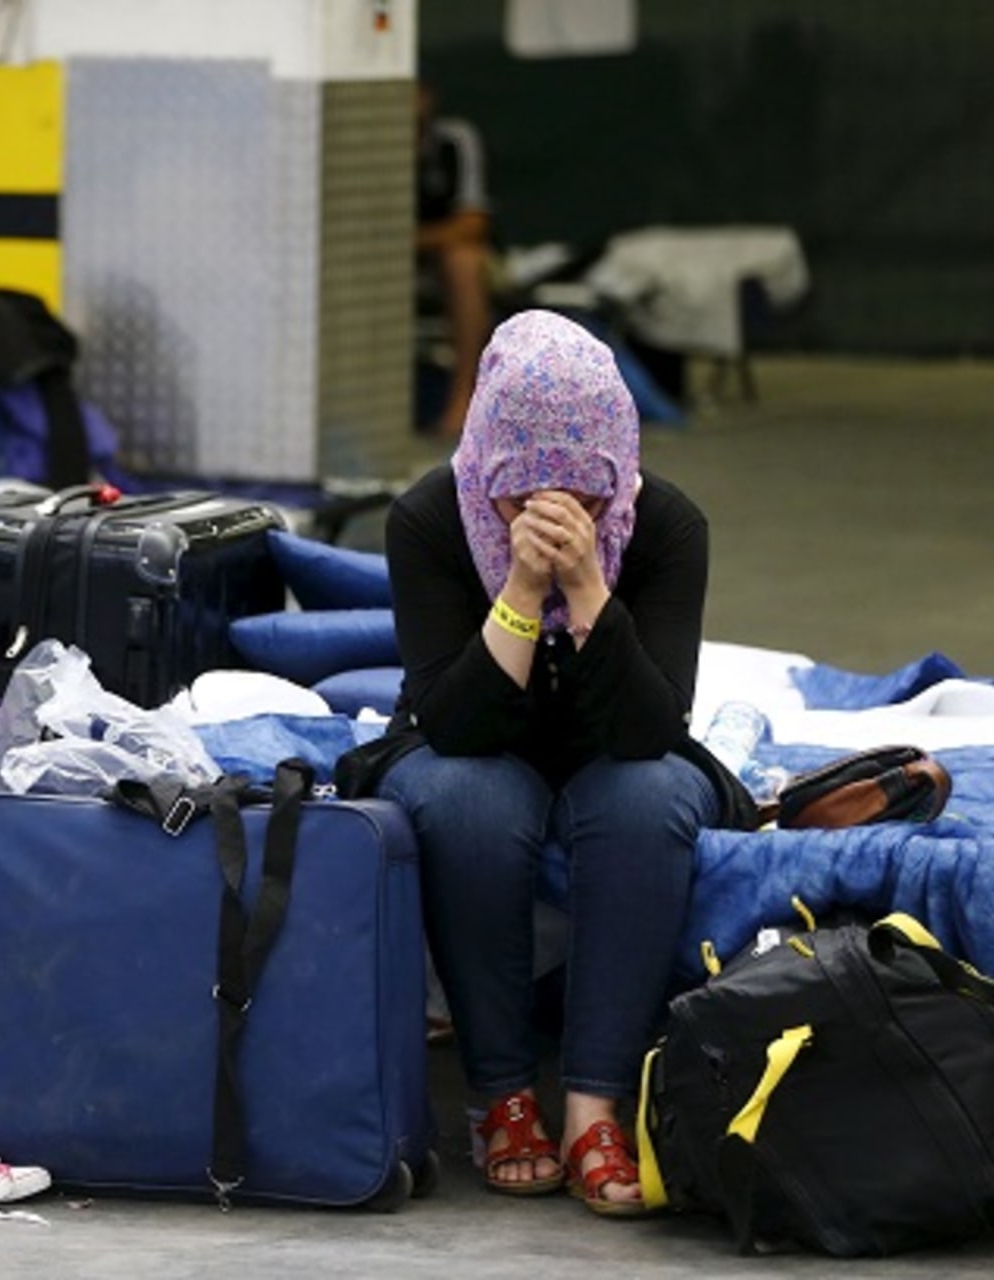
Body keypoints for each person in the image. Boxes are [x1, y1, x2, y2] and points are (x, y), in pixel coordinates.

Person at [371, 310, 719, 1215]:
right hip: (472, 740)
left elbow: (651, 729)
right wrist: (524, 589)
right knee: (470, 799)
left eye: (587, 503)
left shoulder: (666, 527)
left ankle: (595, 1102)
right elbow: (455, 726)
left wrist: (590, 588)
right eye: (522, 503)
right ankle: (503, 1094)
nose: (558, 522)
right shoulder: (428, 520)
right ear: (486, 469)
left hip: (614, 745)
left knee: (648, 800)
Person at [416, 83, 495, 441]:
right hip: (374, 259)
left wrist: (415, 241)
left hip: (440, 253)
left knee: (464, 263)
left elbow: (472, 223)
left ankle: (463, 400)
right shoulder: (363, 140)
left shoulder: (454, 140)